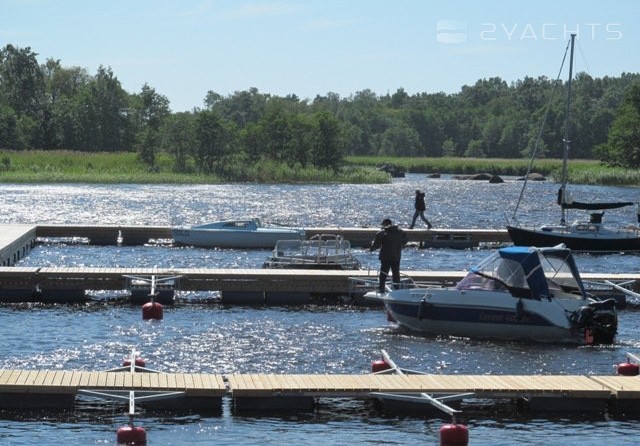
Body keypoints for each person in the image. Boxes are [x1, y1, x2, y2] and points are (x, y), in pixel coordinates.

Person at [369, 218, 408, 293]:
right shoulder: (401, 232)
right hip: (396, 256)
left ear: (384, 225)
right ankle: (397, 290)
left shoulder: (381, 233)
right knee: (396, 273)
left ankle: (381, 289)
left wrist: (371, 248)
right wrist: (399, 246)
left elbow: (376, 245)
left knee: (383, 273)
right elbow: (405, 241)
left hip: (385, 256)